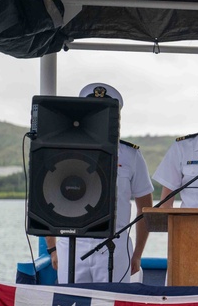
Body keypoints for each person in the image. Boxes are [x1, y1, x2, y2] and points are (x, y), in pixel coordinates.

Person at [46, 83, 154, 283]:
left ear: (116, 117)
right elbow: (47, 200)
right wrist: (52, 248)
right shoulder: (63, 152)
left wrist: (137, 253)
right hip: (72, 244)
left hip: (115, 245)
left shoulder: (130, 155)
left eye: (106, 112)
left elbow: (145, 209)